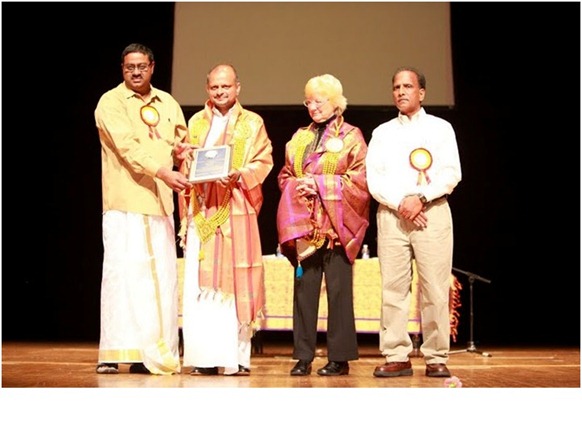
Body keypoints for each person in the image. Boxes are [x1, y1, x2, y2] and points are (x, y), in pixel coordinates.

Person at [94, 43, 191, 375]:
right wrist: (163, 170)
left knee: (161, 280)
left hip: (160, 202)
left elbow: (182, 143)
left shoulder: (168, 103)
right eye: (129, 67)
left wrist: (183, 153)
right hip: (126, 202)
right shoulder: (111, 102)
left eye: (141, 66)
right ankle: (112, 350)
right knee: (123, 277)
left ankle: (146, 352)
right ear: (122, 68)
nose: (136, 72)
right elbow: (127, 148)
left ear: (152, 67)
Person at [366, 66, 462, 378]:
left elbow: (451, 173)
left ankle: (435, 356)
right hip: (392, 215)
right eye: (396, 87)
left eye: (408, 86)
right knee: (393, 288)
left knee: (434, 286)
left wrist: (420, 198)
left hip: (431, 212)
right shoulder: (382, 133)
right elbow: (374, 179)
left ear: (421, 93)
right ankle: (396, 354)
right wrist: (400, 203)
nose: (401, 92)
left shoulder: (441, 128)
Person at [177, 64, 273, 376]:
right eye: (215, 87)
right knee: (200, 286)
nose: (221, 92)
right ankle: (203, 358)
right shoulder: (195, 123)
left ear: (237, 88)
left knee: (235, 279)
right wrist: (186, 160)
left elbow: (263, 160)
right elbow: (186, 163)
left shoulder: (251, 123)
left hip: (235, 210)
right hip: (202, 212)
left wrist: (239, 174)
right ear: (207, 89)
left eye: (226, 87)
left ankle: (236, 358)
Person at [277, 74, 370, 376]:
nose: (313, 107)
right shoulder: (299, 137)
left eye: (319, 101)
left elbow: (359, 180)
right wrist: (297, 186)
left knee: (340, 291)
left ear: (336, 103)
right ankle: (303, 356)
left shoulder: (351, 136)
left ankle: (339, 358)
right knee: (304, 291)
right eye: (309, 101)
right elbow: (284, 176)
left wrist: (318, 184)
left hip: (336, 228)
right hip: (305, 226)